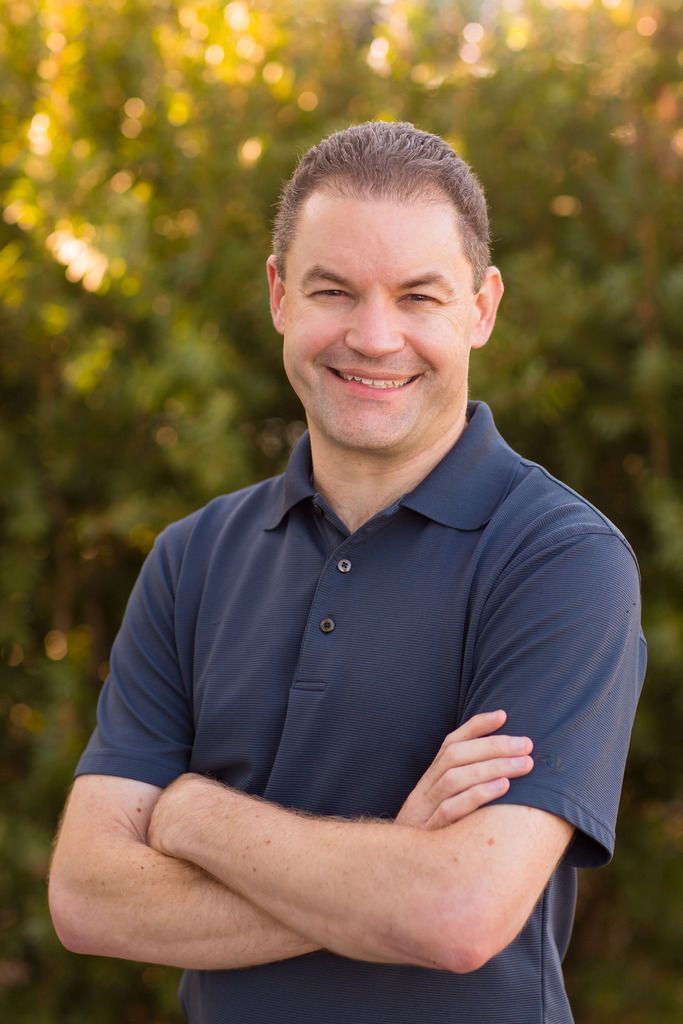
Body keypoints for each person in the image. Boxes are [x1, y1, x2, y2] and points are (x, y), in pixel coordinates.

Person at [49, 121, 646, 1024]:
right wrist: (390, 867)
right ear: (280, 295)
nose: (373, 337)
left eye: (418, 296)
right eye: (334, 290)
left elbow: (456, 913)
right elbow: (89, 898)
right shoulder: (192, 558)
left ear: (481, 309)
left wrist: (192, 817)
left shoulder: (559, 559)